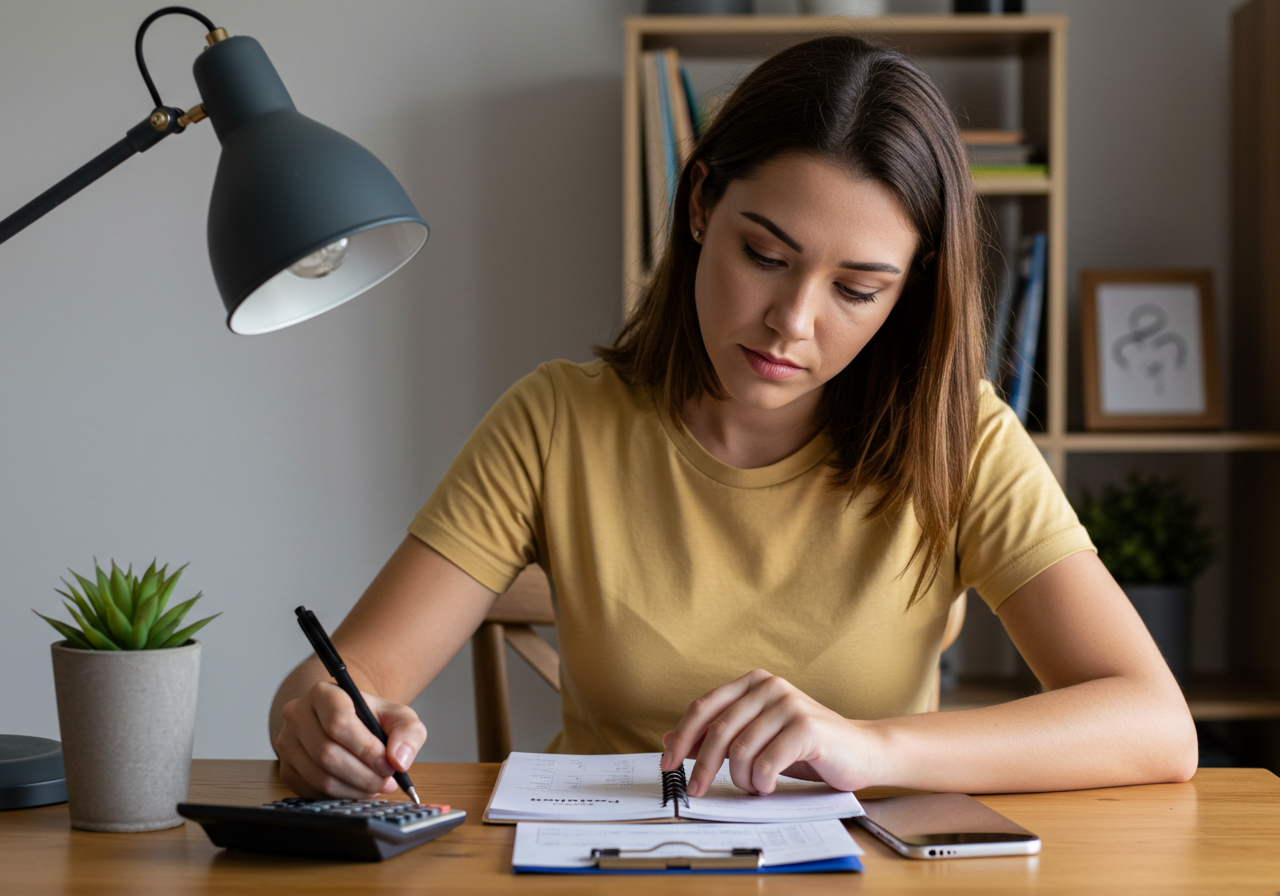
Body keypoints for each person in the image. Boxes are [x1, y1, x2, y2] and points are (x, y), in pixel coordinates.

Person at [269, 36, 1197, 802]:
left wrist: (870, 750)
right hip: (602, 869)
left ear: (908, 293)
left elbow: (1155, 724)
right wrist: (321, 721)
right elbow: (335, 683)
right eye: (767, 254)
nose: (793, 323)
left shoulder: (960, 441)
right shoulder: (556, 422)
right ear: (704, 202)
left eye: (858, 289)